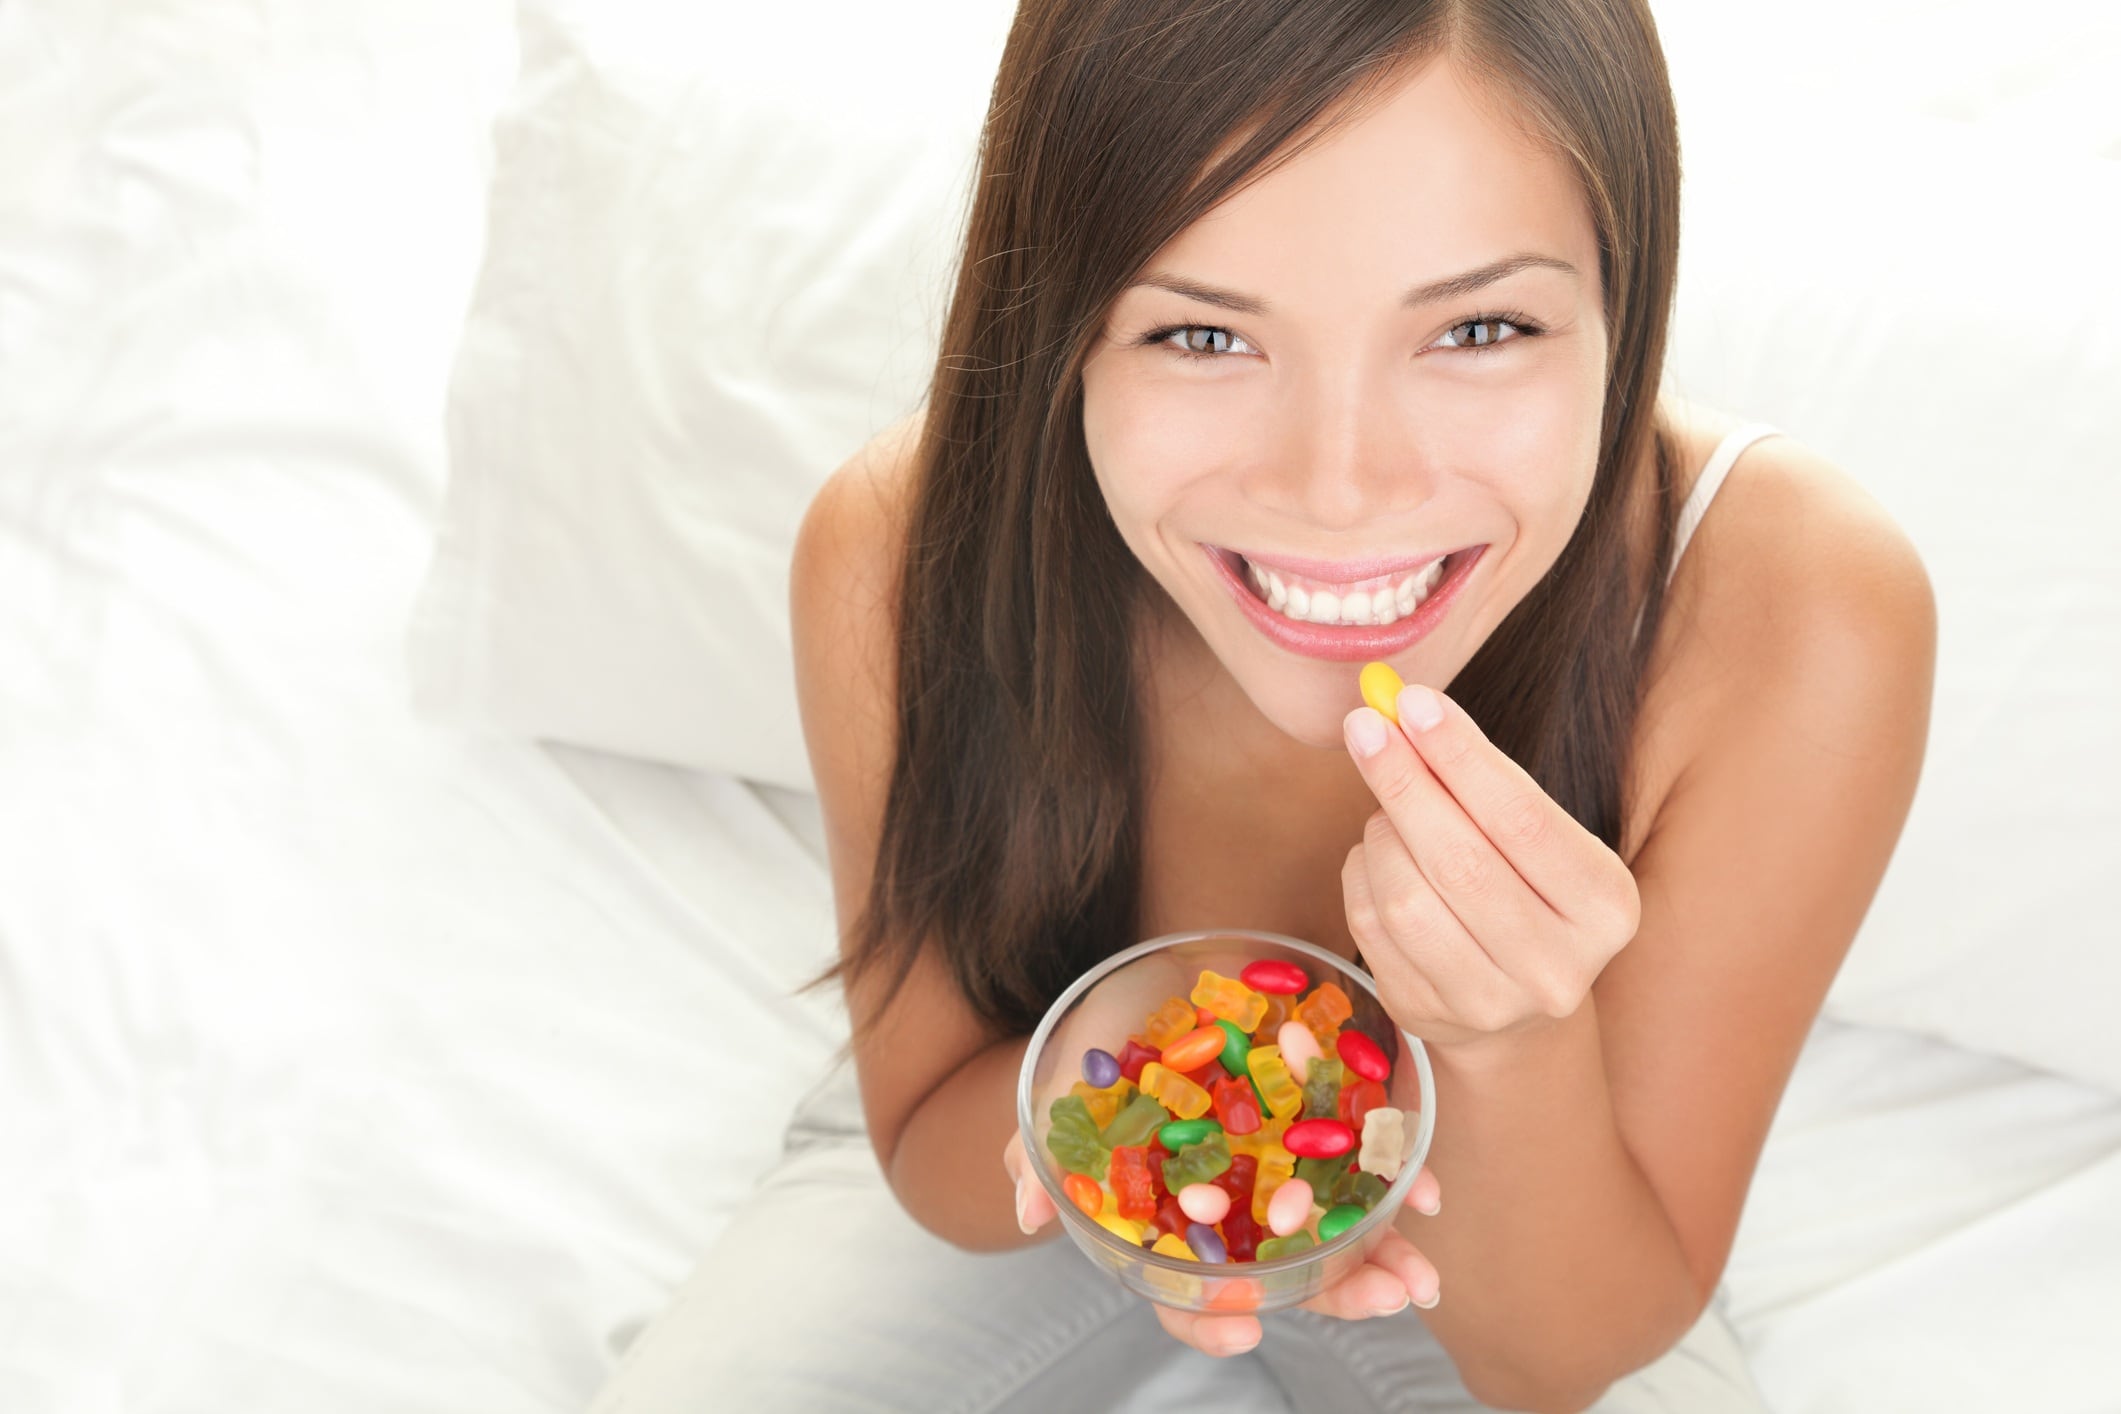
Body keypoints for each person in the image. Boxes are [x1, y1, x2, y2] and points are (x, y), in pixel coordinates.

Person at [587, 0, 1935, 1409]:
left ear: (1624, 305)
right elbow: (934, 1137)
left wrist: (1506, 1042)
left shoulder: (1796, 605)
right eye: (1201, 337)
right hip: (1049, 1125)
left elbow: (1562, 1355)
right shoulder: (895, 546)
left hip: (1512, 1207)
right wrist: (1180, 1108)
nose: (1338, 486)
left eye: (1479, 326)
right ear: (1059, 325)